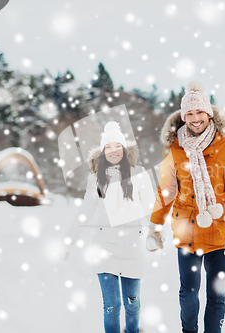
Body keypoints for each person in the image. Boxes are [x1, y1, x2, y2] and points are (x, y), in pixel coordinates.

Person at [146, 81, 225, 333]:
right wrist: (155, 225)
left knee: (216, 296)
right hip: (187, 232)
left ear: (209, 113)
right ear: (183, 116)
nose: (195, 119)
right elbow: (167, 190)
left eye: (199, 112)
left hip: (221, 234)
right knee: (188, 293)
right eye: (190, 113)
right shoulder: (175, 147)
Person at [62, 121, 154, 333]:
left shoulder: (139, 174)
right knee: (111, 307)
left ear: (124, 149)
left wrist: (156, 232)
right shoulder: (96, 178)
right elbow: (85, 212)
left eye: (118, 146)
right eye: (109, 147)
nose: (113, 151)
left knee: (133, 305)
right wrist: (68, 242)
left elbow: (151, 208)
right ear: (103, 151)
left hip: (132, 249)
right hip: (104, 250)